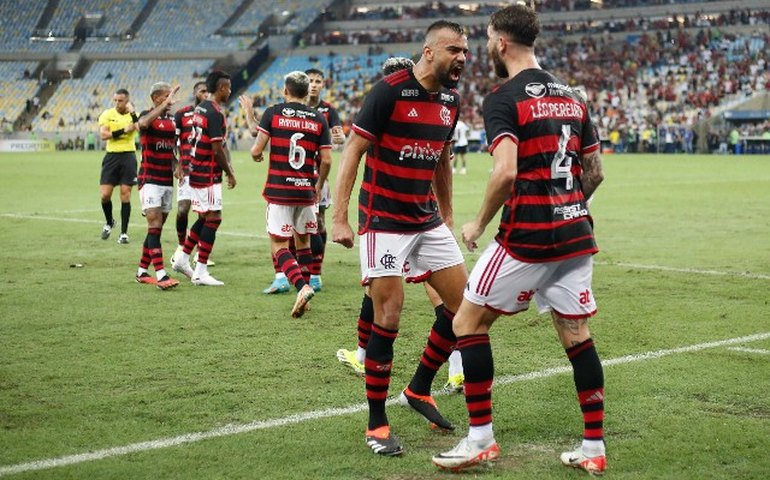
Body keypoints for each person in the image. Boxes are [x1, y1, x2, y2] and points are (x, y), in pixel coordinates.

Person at [431, 5, 606, 474]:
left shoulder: (503, 98)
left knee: (466, 323)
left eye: (487, 39)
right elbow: (594, 172)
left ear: (501, 42)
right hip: (575, 235)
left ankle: (481, 439)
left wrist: (477, 224)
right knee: (576, 335)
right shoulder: (573, 95)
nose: (485, 47)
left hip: (528, 236)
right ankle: (593, 449)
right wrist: (567, 205)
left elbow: (506, 171)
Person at [332, 21, 469, 456]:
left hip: (425, 219)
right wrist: (339, 218)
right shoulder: (389, 91)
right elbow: (353, 149)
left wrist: (446, 212)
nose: (462, 58)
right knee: (388, 316)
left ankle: (419, 388)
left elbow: (442, 159)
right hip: (383, 220)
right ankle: (376, 423)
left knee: (463, 309)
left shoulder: (452, 101)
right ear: (429, 52)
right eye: (454, 50)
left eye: (466, 51)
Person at [251, 68, 346, 295]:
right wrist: (318, 184)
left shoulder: (273, 112)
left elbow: (256, 150)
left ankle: (301, 288)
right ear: (306, 93)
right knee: (304, 241)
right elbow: (326, 160)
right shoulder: (319, 117)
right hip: (306, 190)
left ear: (285, 90)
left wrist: (258, 154)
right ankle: (309, 282)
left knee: (279, 244)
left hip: (279, 190)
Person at [171, 71, 237, 286]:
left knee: (203, 217)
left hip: (197, 169)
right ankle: (201, 271)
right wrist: (229, 172)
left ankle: (182, 258)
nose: (230, 91)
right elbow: (217, 149)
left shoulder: (200, 108)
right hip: (207, 172)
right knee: (214, 218)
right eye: (228, 87)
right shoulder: (215, 112)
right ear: (221, 88)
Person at [134, 82, 182, 290]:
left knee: (157, 229)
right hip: (149, 179)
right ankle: (161, 275)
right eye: (165, 97)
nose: (169, 100)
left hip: (166, 181)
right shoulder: (146, 115)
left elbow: (171, 150)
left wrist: (177, 165)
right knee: (154, 226)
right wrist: (162, 106)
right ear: (155, 98)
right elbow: (142, 124)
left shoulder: (172, 121)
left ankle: (142, 271)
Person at [171, 81, 214, 268]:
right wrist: (176, 165)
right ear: (195, 92)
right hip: (186, 171)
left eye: (207, 91)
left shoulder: (212, 114)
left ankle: (199, 253)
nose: (205, 94)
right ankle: (182, 247)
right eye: (202, 91)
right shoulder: (182, 114)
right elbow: (172, 142)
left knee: (205, 214)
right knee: (182, 211)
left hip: (205, 171)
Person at [97, 88, 139, 244]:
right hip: (111, 157)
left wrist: (133, 113)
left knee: (125, 194)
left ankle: (124, 233)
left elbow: (138, 127)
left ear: (127, 101)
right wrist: (123, 131)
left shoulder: (134, 116)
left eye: (120, 101)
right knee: (105, 195)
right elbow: (103, 135)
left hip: (128, 156)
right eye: (115, 100)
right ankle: (109, 222)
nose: (117, 103)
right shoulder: (107, 114)